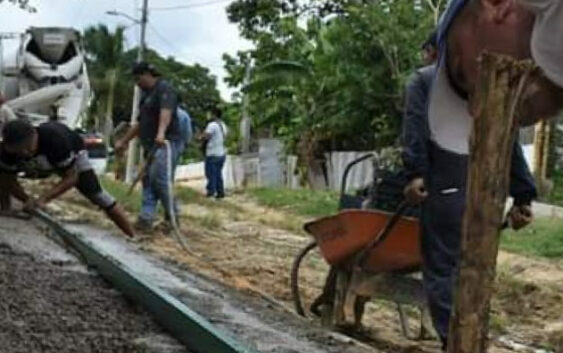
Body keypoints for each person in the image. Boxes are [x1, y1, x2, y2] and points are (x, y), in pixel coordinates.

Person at [402, 0, 563, 347]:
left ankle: (453, 340)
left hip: (446, 192)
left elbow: (416, 133)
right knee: (470, 270)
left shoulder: (423, 83)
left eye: (455, 57)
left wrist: (415, 175)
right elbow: (505, 139)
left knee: (444, 269)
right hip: (483, 198)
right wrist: (523, 193)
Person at [0, 119, 135, 237]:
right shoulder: (8, 150)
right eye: (19, 150)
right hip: (36, 166)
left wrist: (43, 198)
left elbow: (71, 177)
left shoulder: (55, 140)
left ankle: (130, 235)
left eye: (27, 148)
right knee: (2, 173)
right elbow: (8, 179)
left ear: (34, 135)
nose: (24, 152)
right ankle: (5, 207)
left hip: (72, 155)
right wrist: (27, 200)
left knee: (97, 194)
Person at [115, 62, 183, 233]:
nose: (136, 82)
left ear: (147, 74)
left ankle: (172, 218)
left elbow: (165, 112)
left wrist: (161, 133)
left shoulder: (164, 89)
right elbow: (139, 123)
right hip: (150, 145)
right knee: (148, 181)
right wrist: (124, 141)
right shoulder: (146, 96)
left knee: (159, 178)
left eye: (138, 78)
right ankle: (146, 218)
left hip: (166, 143)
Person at [200, 107, 228, 199]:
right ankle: (220, 192)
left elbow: (206, 136)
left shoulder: (212, 125)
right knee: (218, 174)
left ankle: (211, 192)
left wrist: (200, 137)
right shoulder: (223, 125)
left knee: (210, 174)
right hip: (221, 153)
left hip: (212, 153)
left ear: (214, 114)